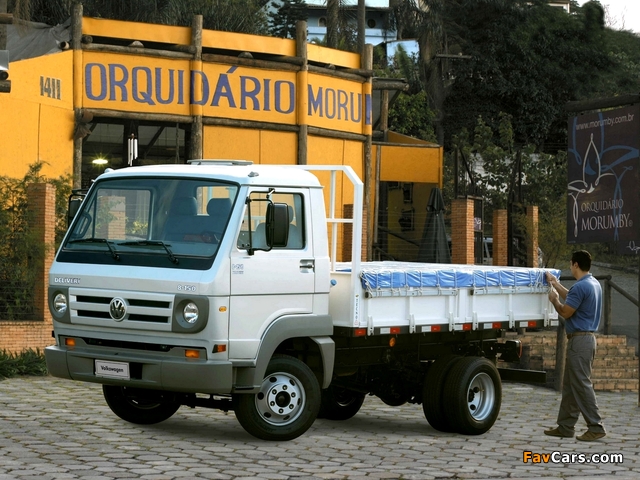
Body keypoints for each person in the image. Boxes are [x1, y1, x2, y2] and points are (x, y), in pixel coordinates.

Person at [544, 250, 606, 442]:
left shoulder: (581, 286)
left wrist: (554, 300)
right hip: (586, 340)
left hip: (579, 341)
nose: (570, 267)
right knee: (571, 385)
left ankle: (595, 426)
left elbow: (566, 311)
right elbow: (572, 297)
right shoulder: (593, 283)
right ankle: (566, 426)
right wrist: (555, 283)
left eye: (571, 264)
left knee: (581, 384)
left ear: (575, 264)